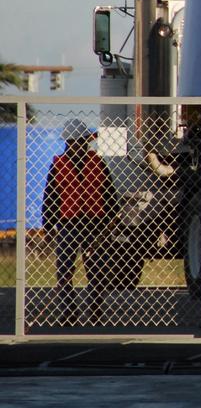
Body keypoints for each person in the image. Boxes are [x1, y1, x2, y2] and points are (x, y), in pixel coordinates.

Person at [41, 118, 118, 326]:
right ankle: (69, 311)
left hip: (95, 223)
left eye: (83, 140)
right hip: (68, 223)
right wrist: (48, 226)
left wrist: (112, 217)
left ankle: (95, 311)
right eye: (76, 141)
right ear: (69, 142)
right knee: (65, 269)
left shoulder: (98, 163)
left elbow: (109, 192)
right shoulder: (58, 165)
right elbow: (51, 197)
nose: (80, 144)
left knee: (96, 269)